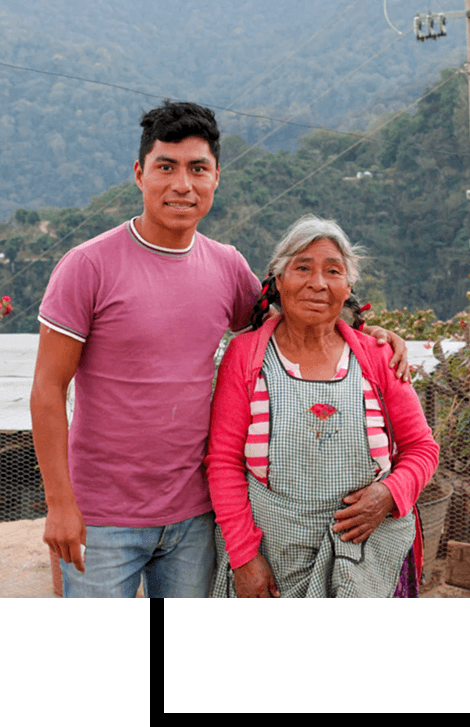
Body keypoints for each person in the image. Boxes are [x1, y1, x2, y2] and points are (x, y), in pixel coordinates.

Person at [31, 101, 409, 598]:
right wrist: (60, 504)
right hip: (102, 515)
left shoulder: (226, 267)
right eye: (166, 167)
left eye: (197, 169)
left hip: (194, 516)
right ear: (140, 173)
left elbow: (296, 315)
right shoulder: (88, 266)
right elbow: (47, 388)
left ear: (215, 179)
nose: (181, 185)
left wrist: (368, 332)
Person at [206, 215, 439, 598]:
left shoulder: (378, 357)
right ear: (279, 281)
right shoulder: (246, 357)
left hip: (366, 565)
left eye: (333, 271)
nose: (318, 283)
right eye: (302, 268)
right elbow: (223, 462)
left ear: (347, 288)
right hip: (274, 563)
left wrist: (389, 494)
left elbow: (422, 448)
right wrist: (244, 557)